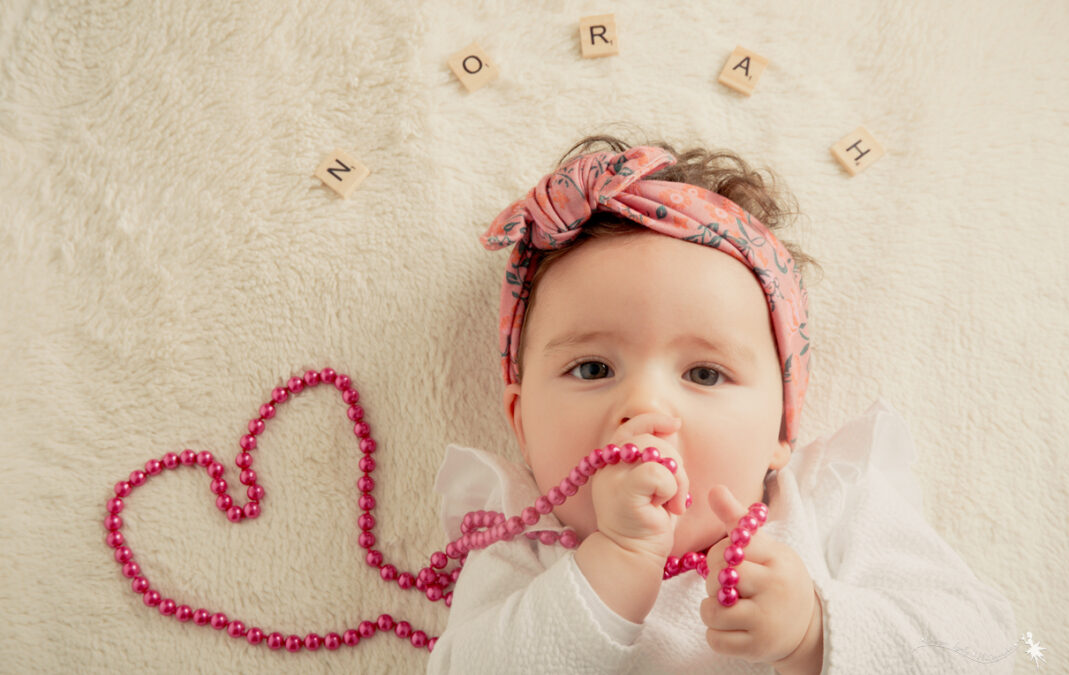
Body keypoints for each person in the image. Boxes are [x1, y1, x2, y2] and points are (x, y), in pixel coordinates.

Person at [426, 135, 1017, 674]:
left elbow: (987, 648)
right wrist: (614, 566)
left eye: (705, 373)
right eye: (593, 369)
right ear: (520, 420)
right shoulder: (524, 540)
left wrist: (815, 630)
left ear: (783, 426)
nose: (645, 407)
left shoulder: (830, 506)